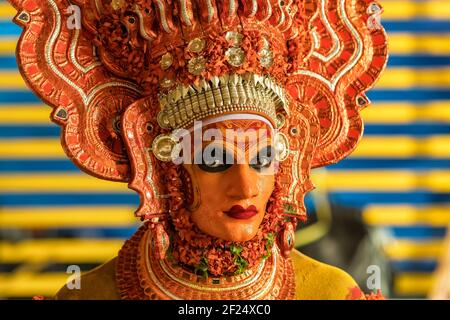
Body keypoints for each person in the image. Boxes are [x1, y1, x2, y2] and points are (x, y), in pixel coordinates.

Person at [8, 0, 387, 299]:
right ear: (163, 164)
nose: (246, 187)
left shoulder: (331, 294)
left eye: (263, 159)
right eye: (215, 159)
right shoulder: (89, 296)